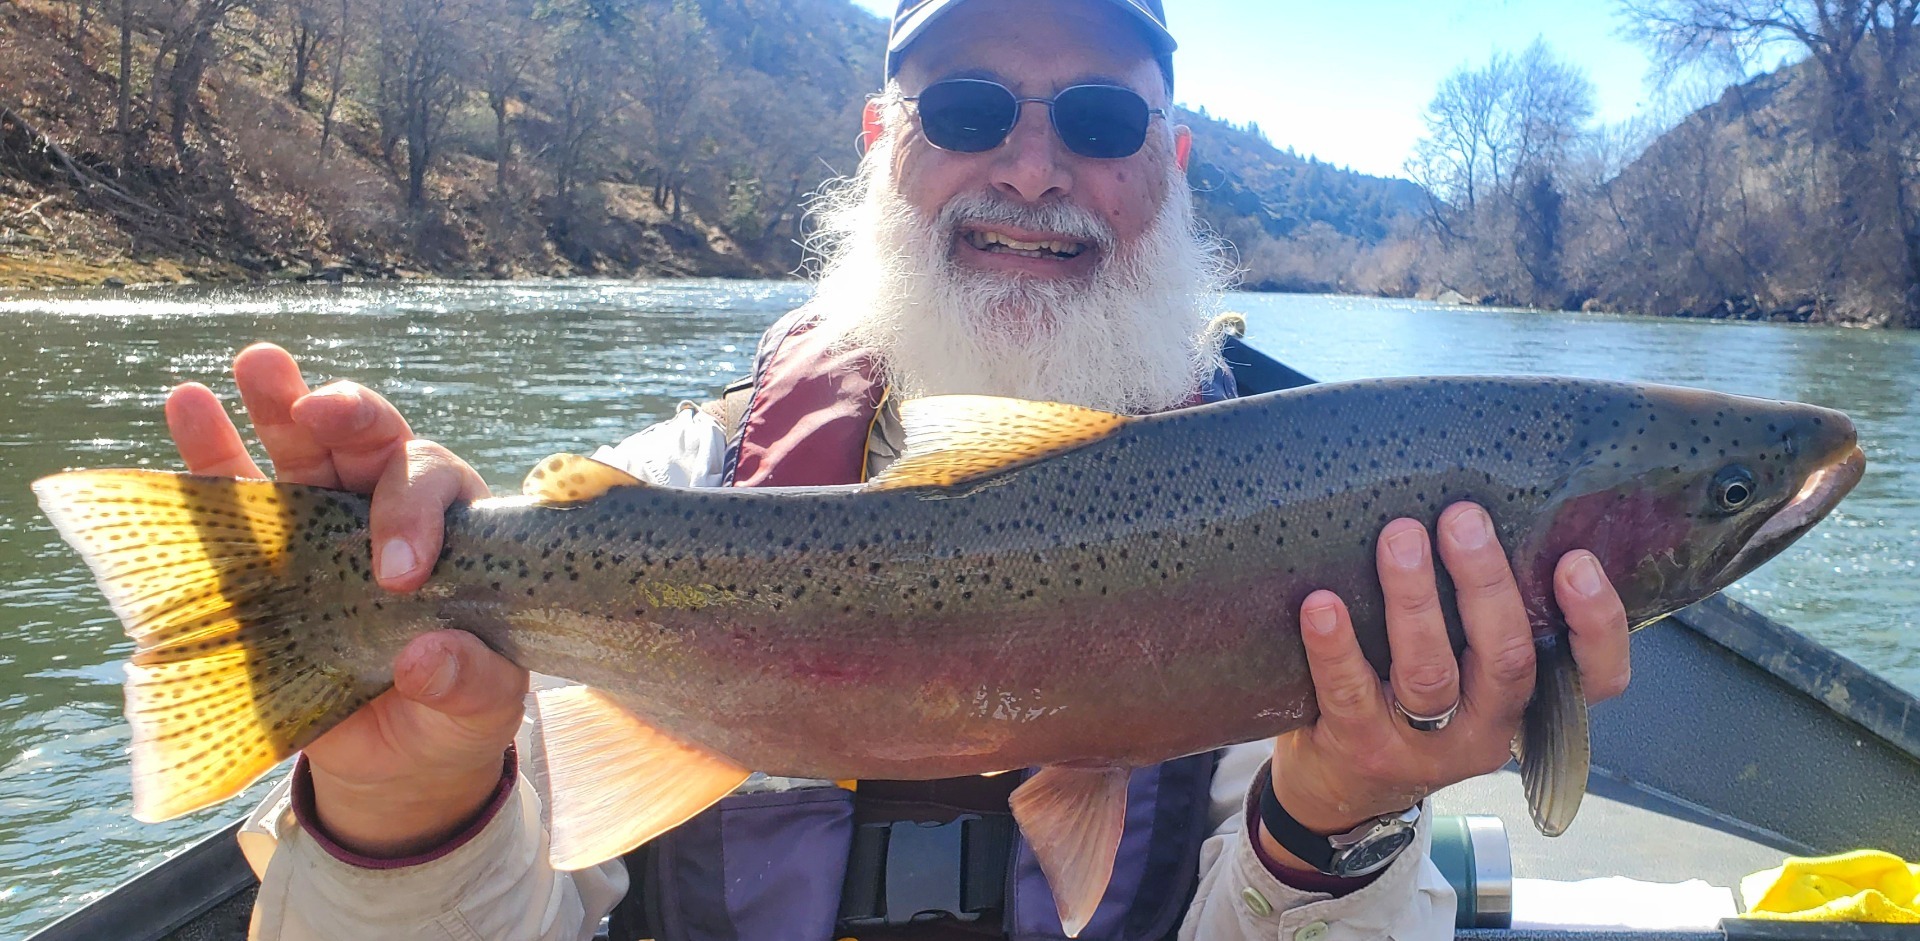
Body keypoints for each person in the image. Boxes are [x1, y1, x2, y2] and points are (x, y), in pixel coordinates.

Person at [164, 1, 1634, 938]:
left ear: (1172, 164)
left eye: (1106, 122)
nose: (1035, 169)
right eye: (971, 112)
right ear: (880, 146)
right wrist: (410, 797)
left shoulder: (1314, 520)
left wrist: (1340, 819)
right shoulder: (668, 498)